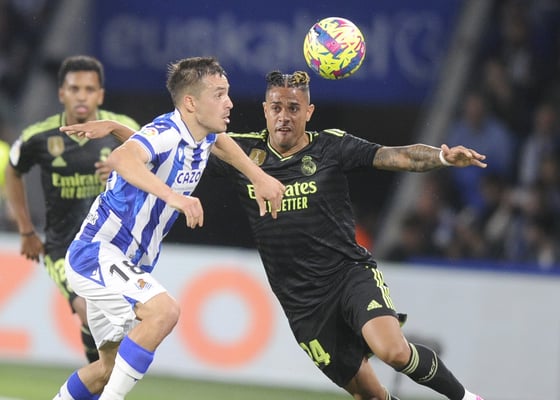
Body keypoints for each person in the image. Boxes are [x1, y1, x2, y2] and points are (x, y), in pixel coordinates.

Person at [61, 70, 487, 400]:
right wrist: (117, 130)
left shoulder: (331, 146)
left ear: (309, 112)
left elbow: (395, 156)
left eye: (294, 108)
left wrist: (441, 157)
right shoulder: (242, 152)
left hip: (347, 275)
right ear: (265, 110)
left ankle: (467, 397)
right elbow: (175, 144)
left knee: (392, 350)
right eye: (277, 107)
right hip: (302, 303)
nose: (285, 116)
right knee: (371, 394)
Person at [52, 57, 285, 400]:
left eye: (227, 93)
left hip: (128, 262)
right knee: (164, 312)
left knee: (106, 370)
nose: (230, 103)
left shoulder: (201, 135)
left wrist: (258, 176)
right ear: (191, 103)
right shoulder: (165, 132)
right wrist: (174, 197)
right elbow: (122, 159)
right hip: (97, 252)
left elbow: (220, 143)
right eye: (219, 94)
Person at [4, 55, 141, 363]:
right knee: (89, 309)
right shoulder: (39, 136)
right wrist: (26, 230)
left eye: (89, 89)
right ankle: (100, 378)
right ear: (61, 93)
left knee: (110, 322)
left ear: (100, 95)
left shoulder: (123, 130)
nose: (81, 96)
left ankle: (98, 377)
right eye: (74, 89)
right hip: (63, 247)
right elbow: (13, 171)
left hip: (112, 245)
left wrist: (125, 170)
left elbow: (156, 169)